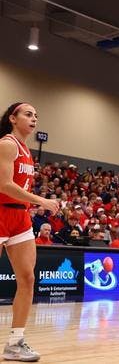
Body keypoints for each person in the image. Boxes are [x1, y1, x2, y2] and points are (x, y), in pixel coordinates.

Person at [0, 102, 61, 362]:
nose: (34, 118)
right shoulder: (7, 144)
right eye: (28, 114)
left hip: (20, 217)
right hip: (1, 210)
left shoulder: (26, 149)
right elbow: (4, 184)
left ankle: (15, 343)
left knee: (27, 279)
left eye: (36, 115)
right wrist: (41, 201)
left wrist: (32, 203)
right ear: (13, 118)